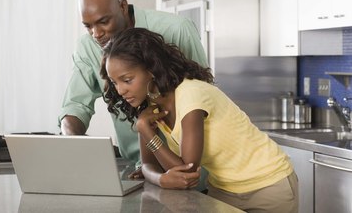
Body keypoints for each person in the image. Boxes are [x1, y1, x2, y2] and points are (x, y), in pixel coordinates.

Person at [100, 28, 299, 213]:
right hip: (223, 190)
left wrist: (146, 130)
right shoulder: (149, 106)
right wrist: (160, 178)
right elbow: (147, 166)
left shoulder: (190, 94)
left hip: (267, 185)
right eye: (114, 82)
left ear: (151, 70)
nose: (120, 90)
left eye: (127, 80)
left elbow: (187, 172)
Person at [58, 0, 208, 190]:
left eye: (103, 21)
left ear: (123, 6)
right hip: (144, 171)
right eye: (88, 26)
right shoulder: (86, 47)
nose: (96, 34)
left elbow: (203, 96)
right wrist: (72, 146)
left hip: (193, 172)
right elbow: (75, 106)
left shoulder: (177, 29)